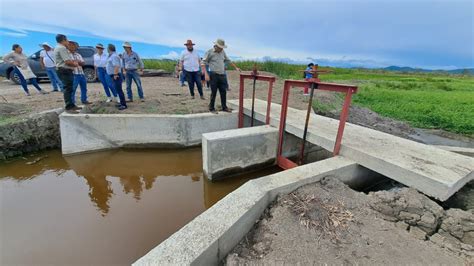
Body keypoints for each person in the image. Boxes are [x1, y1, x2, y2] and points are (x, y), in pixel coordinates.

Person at [201, 38, 240, 114]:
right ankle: (211, 108)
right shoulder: (209, 52)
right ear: (216, 46)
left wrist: (236, 67)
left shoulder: (222, 52)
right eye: (220, 47)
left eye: (222, 48)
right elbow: (203, 63)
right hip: (213, 75)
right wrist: (206, 74)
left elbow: (228, 60)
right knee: (214, 92)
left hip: (222, 75)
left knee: (223, 92)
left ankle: (224, 107)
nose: (222, 49)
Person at [54, 34, 80, 111]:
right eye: (67, 40)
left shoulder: (57, 47)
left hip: (62, 70)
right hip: (64, 70)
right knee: (68, 89)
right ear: (63, 40)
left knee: (69, 88)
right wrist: (75, 64)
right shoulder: (62, 48)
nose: (68, 42)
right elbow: (67, 61)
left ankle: (71, 105)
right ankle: (69, 107)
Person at [106, 44, 127, 110]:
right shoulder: (112, 55)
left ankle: (124, 105)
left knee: (119, 90)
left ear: (109, 49)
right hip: (114, 75)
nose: (106, 49)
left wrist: (115, 74)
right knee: (118, 90)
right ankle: (121, 103)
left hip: (116, 75)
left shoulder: (114, 56)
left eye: (107, 48)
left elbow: (116, 66)